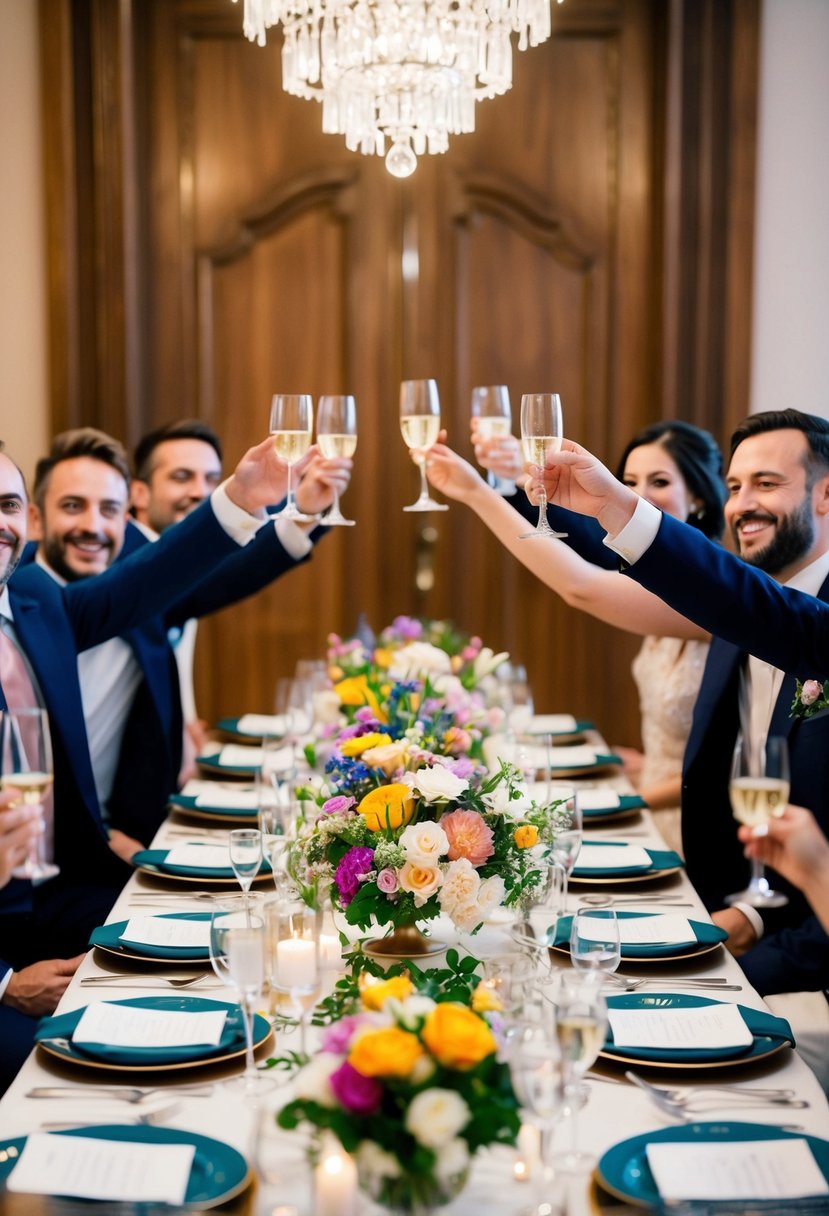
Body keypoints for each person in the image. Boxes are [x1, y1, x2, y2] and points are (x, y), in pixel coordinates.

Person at [18, 427, 351, 853]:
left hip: (128, 826)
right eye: (71, 506)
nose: (91, 526)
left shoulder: (134, 596)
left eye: (108, 510)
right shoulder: (24, 600)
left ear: (126, 518)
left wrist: (299, 510)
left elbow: (218, 575)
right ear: (35, 518)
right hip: (50, 852)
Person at [425, 420, 726, 854]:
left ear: (699, 495)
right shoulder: (661, 579)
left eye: (659, 481)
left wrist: (477, 493)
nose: (640, 494)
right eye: (630, 482)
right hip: (657, 802)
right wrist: (639, 767)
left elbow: (582, 585)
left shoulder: (710, 593)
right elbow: (594, 547)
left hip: (692, 829)